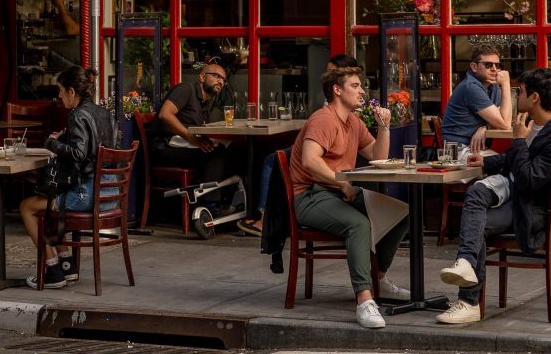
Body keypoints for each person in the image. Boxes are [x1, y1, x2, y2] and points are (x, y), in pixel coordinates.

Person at [436, 67, 551, 326]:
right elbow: (521, 162)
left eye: (520, 91)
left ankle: (468, 301)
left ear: (534, 97)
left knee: (475, 222)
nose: (516, 96)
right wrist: (487, 162)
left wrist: (519, 141)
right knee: (476, 196)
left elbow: (529, 179)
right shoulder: (541, 125)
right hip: (522, 201)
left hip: (535, 212)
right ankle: (466, 266)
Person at [288, 63, 412, 330]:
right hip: (311, 196)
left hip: (336, 191)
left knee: (400, 212)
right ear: (336, 90)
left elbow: (378, 156)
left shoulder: (353, 121)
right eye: (355, 86)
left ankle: (377, 279)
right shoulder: (324, 119)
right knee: (359, 224)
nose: (362, 91)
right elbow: (310, 161)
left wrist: (384, 127)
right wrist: (341, 183)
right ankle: (364, 300)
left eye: (361, 86)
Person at [19, 65, 118, 289]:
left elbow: (79, 154)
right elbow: (96, 151)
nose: (59, 96)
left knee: (27, 207)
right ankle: (66, 265)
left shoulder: (78, 115)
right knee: (52, 204)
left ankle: (52, 271)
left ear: (72, 91)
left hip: (87, 195)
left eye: (61, 91)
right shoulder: (104, 113)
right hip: (109, 193)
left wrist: (52, 143)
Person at [237, 53, 357, 237]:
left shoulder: (350, 104)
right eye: (328, 71)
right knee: (277, 158)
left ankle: (265, 219)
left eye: (334, 72)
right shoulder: (327, 98)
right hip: (321, 149)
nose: (328, 75)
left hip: (327, 152)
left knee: (274, 160)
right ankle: (267, 217)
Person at [153, 60, 232, 192]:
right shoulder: (186, 89)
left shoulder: (205, 103)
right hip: (165, 146)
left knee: (231, 149)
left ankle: (226, 200)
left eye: (223, 80)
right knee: (216, 154)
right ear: (202, 77)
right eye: (216, 76)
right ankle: (209, 205)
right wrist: (192, 139)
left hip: (183, 145)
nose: (221, 82)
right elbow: (165, 114)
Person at [441, 45, 513, 153]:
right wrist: (506, 84)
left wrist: (485, 127)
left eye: (497, 65)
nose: (494, 69)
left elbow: (501, 118)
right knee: (504, 163)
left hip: (474, 148)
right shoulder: (471, 87)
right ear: (474, 67)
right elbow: (505, 124)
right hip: (457, 150)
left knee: (507, 161)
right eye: (488, 65)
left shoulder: (492, 86)